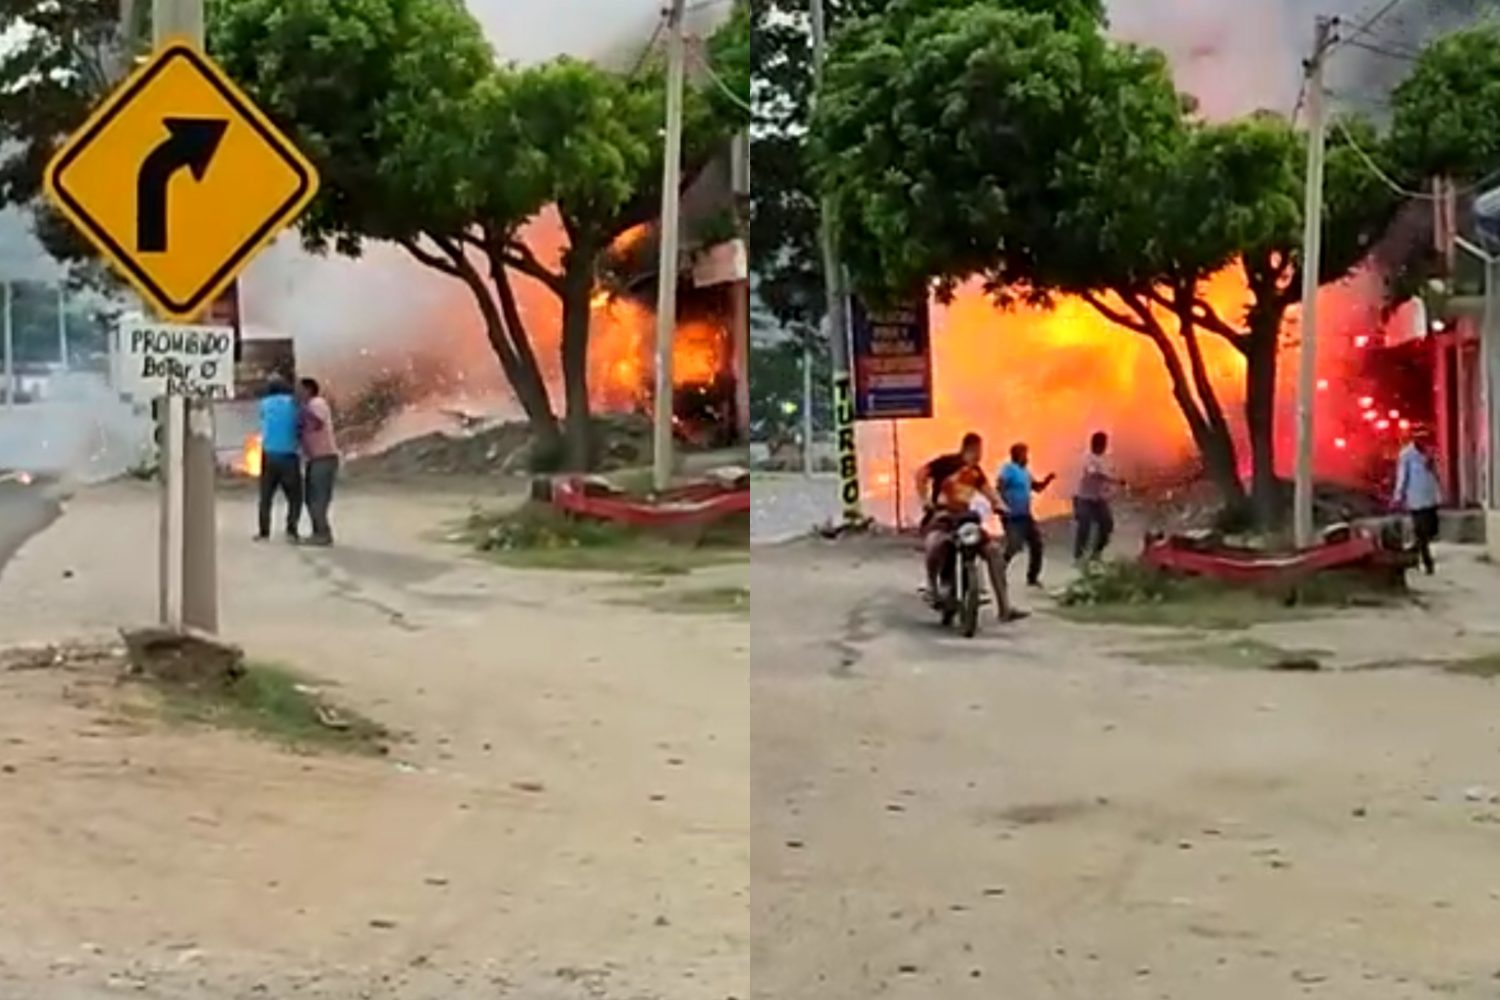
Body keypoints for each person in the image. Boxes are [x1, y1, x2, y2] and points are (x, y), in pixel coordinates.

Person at [915, 432, 1021, 621]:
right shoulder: (947, 463)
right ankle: (932, 587)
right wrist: (924, 500)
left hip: (966, 520)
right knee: (933, 545)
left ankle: (1005, 608)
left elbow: (989, 491)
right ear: (971, 448)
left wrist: (1000, 506)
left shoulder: (976, 472)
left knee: (993, 551)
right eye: (979, 450)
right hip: (943, 516)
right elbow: (921, 474)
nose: (981, 455)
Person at [997, 442, 1056, 587]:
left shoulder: (1026, 472)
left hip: (1025, 515)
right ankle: (998, 571)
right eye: (1024, 454)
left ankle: (1032, 577)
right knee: (1014, 545)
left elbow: (1037, 488)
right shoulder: (1009, 469)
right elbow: (1000, 485)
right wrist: (1000, 505)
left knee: (1036, 544)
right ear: (1017, 455)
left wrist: (1047, 481)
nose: (1027, 457)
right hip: (1011, 516)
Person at [256, 373, 302, 541]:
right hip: (289, 455)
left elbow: (262, 418)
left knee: (266, 497)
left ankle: (264, 532)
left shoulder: (265, 403)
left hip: (269, 454)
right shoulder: (293, 403)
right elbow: (300, 423)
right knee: (294, 497)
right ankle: (291, 530)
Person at [297, 377, 339, 546]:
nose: (296, 392)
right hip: (315, 459)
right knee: (311, 498)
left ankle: (322, 534)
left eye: (299, 389)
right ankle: (319, 532)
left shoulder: (317, 403)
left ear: (308, 390)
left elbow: (316, 423)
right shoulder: (308, 406)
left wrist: (301, 409)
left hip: (324, 458)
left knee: (318, 498)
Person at [1393, 428, 1442, 575]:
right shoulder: (1406, 454)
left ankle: (1415, 549)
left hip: (1431, 498)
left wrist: (1432, 465)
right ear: (1414, 439)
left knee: (1432, 530)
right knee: (1422, 532)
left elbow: (1436, 475)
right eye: (1419, 437)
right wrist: (1398, 496)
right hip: (1416, 499)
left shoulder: (1431, 452)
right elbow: (1402, 476)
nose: (1423, 440)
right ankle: (1427, 562)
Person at [1073, 431, 1119, 562]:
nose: (1105, 446)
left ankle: (1096, 553)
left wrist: (1111, 486)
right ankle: (1079, 556)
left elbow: (1109, 472)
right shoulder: (1087, 458)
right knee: (1084, 527)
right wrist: (1113, 479)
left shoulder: (1105, 458)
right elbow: (1094, 473)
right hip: (1085, 499)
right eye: (1103, 443)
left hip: (1099, 499)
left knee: (1107, 526)